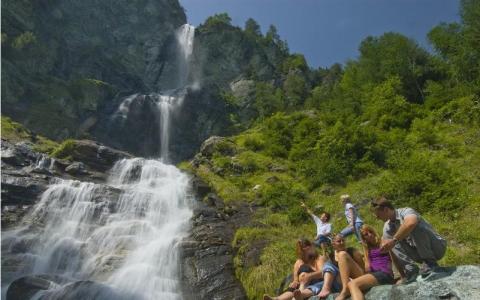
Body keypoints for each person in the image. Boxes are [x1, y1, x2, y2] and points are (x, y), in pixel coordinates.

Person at [371, 197, 447, 282]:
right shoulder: (387, 227)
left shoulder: (406, 211)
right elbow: (391, 251)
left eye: (378, 215)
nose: (377, 218)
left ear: (385, 209)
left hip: (437, 247)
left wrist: (394, 240)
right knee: (391, 241)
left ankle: (431, 263)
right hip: (419, 254)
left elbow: (411, 223)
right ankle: (411, 271)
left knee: (415, 227)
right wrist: (402, 275)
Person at [336, 225, 397, 300]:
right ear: (364, 238)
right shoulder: (367, 247)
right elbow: (367, 266)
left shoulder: (383, 241)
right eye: (366, 234)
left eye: (370, 232)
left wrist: (401, 276)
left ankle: (346, 290)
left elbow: (395, 259)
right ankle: (345, 289)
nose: (370, 234)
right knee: (342, 254)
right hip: (372, 274)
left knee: (352, 284)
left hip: (384, 273)